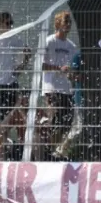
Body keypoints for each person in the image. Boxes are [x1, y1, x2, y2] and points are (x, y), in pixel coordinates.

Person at [41, 10, 79, 154]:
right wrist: (58, 68)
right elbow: (41, 65)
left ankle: (55, 151)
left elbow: (72, 69)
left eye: (70, 22)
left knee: (67, 122)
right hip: (52, 88)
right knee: (55, 119)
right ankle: (47, 150)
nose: (68, 25)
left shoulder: (71, 46)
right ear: (57, 24)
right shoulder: (49, 41)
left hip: (66, 89)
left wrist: (72, 74)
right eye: (65, 22)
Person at [0, 12, 31, 121]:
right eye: (8, 23)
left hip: (10, 83)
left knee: (6, 115)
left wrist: (21, 66)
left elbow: (28, 51)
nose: (10, 26)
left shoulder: (13, 38)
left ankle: (0, 136)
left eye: (11, 23)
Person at [0, 91, 49, 161]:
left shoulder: (40, 112)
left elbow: (33, 130)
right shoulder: (16, 112)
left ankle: (39, 165)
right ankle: (1, 165)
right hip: (21, 146)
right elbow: (2, 128)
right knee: (1, 136)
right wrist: (14, 109)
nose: (23, 100)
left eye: (26, 97)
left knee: (35, 138)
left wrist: (22, 113)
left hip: (36, 147)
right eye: (21, 97)